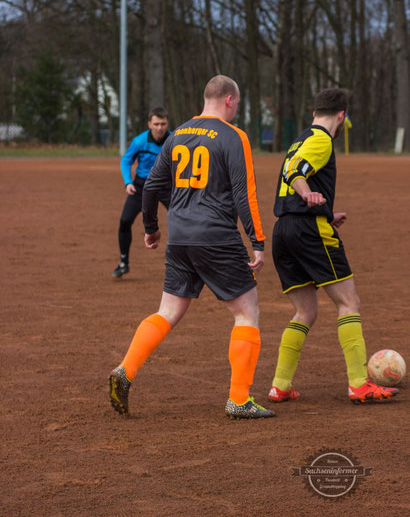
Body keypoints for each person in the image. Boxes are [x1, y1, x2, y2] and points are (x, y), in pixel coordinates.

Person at [109, 74, 275, 420]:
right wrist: (257, 241)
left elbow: (152, 184)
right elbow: (246, 193)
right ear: (229, 100)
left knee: (168, 311)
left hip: (180, 236)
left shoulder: (177, 134)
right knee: (246, 313)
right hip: (216, 236)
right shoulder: (234, 136)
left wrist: (152, 228)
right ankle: (239, 399)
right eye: (238, 103)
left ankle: (126, 369)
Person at [268, 88, 399, 405]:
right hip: (308, 229)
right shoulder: (322, 139)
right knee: (349, 302)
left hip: (283, 230)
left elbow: (292, 168)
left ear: (314, 112)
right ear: (342, 116)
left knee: (305, 310)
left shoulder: (301, 138)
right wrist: (307, 196)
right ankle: (358, 384)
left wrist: (324, 210)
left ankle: (280, 385)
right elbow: (295, 171)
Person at [112, 107, 171, 278]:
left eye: (163, 124)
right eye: (156, 124)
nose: (160, 128)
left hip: (167, 185)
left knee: (180, 219)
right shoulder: (139, 142)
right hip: (142, 185)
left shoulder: (174, 139)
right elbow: (126, 160)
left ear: (167, 124)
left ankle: (174, 254)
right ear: (149, 124)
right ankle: (124, 262)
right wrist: (127, 182)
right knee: (124, 221)